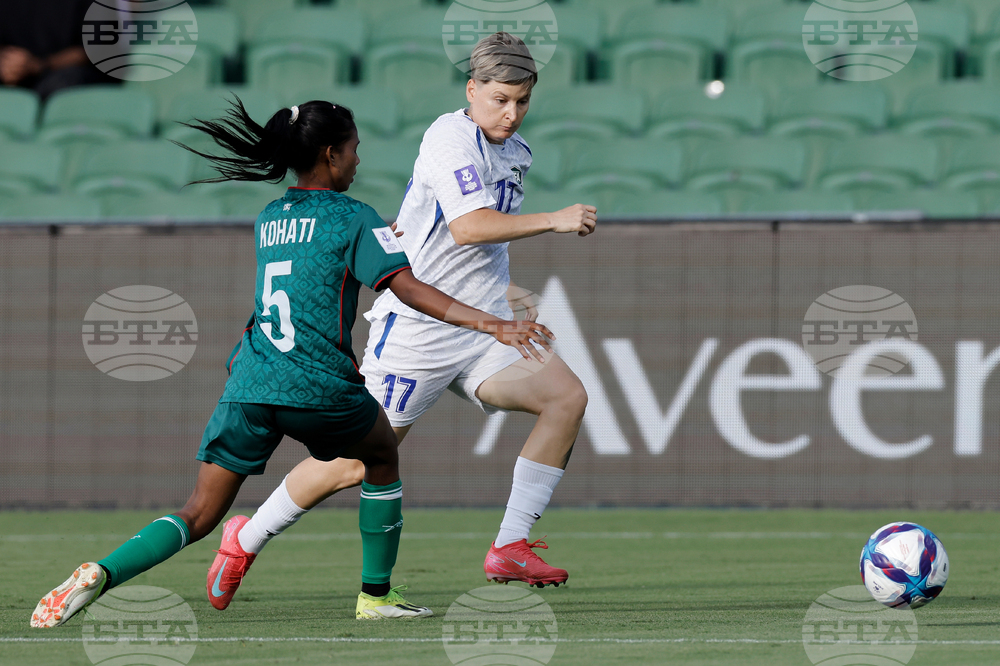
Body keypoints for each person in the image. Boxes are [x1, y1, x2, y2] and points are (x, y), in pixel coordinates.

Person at [29, 97, 555, 628]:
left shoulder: (270, 217)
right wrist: (493, 324)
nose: (357, 161)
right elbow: (411, 289)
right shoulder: (354, 217)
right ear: (330, 154)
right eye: (353, 151)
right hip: (318, 386)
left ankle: (103, 570)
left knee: (198, 512)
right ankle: (376, 596)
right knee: (381, 459)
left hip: (251, 381)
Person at [206, 31, 597, 611]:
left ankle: (510, 545)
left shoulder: (514, 152)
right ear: (471, 90)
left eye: (522, 100)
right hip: (418, 331)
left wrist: (503, 289)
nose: (511, 113)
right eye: (499, 99)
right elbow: (469, 226)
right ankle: (246, 536)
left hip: (483, 327)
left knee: (566, 398)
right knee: (354, 465)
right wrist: (555, 220)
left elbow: (454, 242)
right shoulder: (449, 138)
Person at [1, 0, 117, 99]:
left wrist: (37, 65)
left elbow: (93, 51)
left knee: (59, 85)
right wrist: (9, 64)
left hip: (67, 74)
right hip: (14, 71)